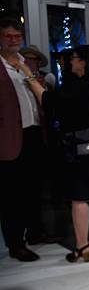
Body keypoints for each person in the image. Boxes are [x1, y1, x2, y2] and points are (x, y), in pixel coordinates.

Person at [18, 45, 89, 263]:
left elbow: (49, 102)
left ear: (83, 61)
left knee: (79, 198)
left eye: (74, 58)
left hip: (79, 147)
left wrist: (27, 74)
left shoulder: (76, 88)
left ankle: (82, 246)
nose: (70, 62)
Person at [0, 19, 45, 262]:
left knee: (33, 188)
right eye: (8, 36)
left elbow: (40, 96)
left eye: (17, 36)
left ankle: (35, 233)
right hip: (9, 139)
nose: (14, 40)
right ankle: (16, 243)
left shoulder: (26, 65)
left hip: (34, 133)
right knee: (11, 196)